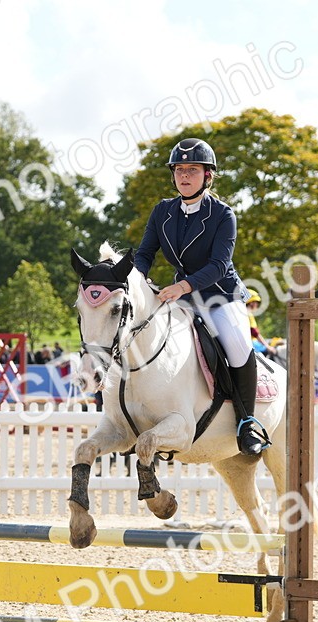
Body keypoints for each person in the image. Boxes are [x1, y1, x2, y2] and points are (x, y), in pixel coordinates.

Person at [132, 137, 268, 456]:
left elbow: (219, 265)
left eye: (192, 169)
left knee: (237, 345)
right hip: (184, 299)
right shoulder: (162, 212)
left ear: (207, 175)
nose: (184, 175)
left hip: (221, 295)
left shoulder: (222, 214)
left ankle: (247, 422)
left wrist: (182, 286)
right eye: (179, 170)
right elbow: (145, 254)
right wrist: (135, 281)